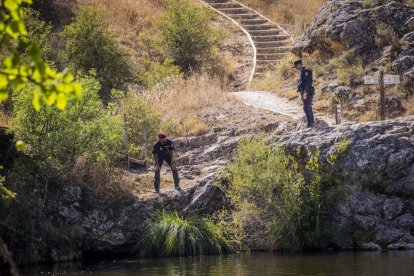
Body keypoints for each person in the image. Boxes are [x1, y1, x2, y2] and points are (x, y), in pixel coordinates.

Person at [293, 59, 315, 128]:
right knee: (308, 107)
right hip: (304, 92)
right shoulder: (302, 71)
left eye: (296, 66)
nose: (295, 68)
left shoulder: (306, 70)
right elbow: (304, 82)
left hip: (308, 92)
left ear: (300, 64)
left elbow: (309, 82)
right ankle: (311, 123)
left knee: (305, 107)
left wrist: (305, 92)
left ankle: (310, 124)